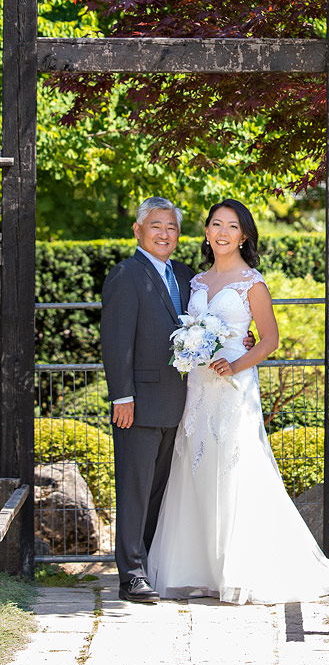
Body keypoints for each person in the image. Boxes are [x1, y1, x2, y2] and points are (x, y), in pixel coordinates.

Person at [147, 198, 329, 604]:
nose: (223, 232)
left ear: (244, 235)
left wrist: (236, 363)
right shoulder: (196, 283)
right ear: (206, 233)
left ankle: (240, 569)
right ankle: (199, 569)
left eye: (232, 226)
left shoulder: (252, 283)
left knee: (236, 468)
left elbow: (270, 340)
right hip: (199, 390)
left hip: (235, 391)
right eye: (216, 224)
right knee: (196, 466)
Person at [100, 197, 193, 604]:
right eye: (156, 226)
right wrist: (122, 396)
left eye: (171, 227)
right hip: (136, 405)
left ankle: (151, 565)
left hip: (180, 403)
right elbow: (115, 342)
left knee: (160, 491)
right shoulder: (126, 275)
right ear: (138, 231)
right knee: (135, 491)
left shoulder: (187, 276)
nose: (164, 234)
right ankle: (131, 575)